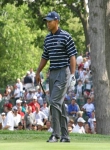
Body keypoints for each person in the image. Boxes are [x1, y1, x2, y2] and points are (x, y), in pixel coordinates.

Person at [35, 11, 77, 143]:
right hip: (52, 73)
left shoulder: (66, 36)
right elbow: (45, 57)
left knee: (53, 101)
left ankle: (56, 134)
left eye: (50, 21)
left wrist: (72, 74)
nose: (47, 23)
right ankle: (65, 136)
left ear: (57, 21)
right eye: (46, 21)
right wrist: (37, 72)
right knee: (59, 104)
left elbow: (72, 56)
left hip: (63, 72)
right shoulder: (47, 38)